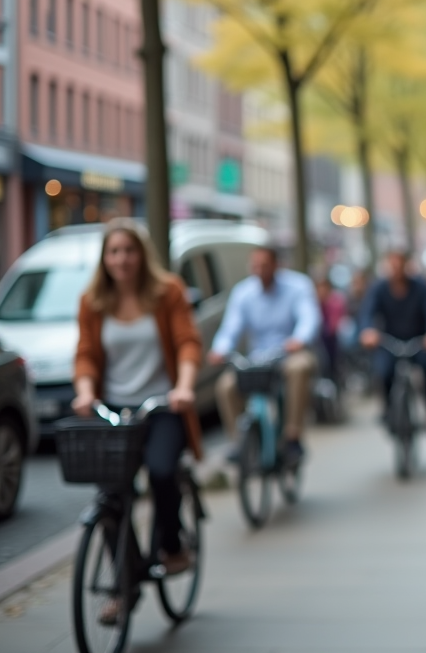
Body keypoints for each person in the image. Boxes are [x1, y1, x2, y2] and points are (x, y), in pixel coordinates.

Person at [72, 219, 203, 620]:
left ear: (141, 254)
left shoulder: (167, 292)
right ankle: (124, 585)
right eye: (114, 252)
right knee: (111, 493)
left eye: (129, 251)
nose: (122, 259)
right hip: (115, 408)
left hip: (163, 406)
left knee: (162, 471)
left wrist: (183, 387)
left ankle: (173, 545)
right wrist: (85, 391)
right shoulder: (93, 300)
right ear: (104, 258)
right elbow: (86, 354)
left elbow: (186, 343)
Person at [208, 247, 320, 464]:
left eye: (264, 265)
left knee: (300, 368)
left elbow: (309, 318)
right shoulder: (243, 293)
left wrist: (299, 339)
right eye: (255, 265)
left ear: (277, 265)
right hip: (257, 360)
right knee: (226, 386)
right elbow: (231, 327)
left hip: (287, 354)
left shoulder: (298, 286)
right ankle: (241, 442)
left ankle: (292, 436)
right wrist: (219, 349)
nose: (259, 270)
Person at [359, 250, 426, 436]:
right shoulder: (379, 288)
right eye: (393, 265)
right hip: (390, 341)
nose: (396, 269)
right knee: (383, 372)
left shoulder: (421, 287)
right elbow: (367, 312)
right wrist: (368, 331)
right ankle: (387, 409)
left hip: (418, 341)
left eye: (400, 265)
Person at [315, 275, 348, 380]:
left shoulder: (336, 302)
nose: (321, 291)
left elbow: (333, 326)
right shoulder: (313, 304)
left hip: (332, 340)